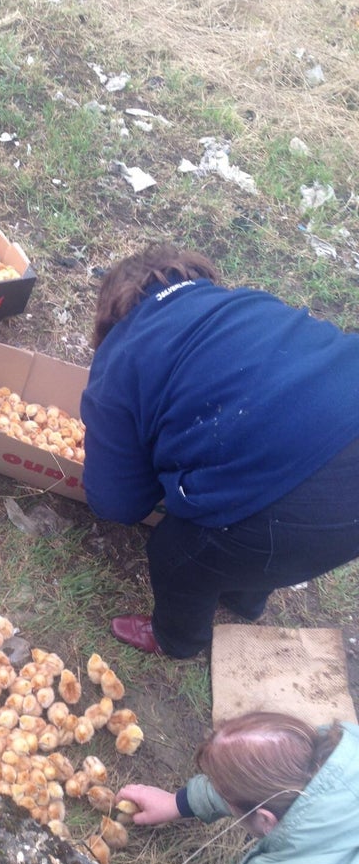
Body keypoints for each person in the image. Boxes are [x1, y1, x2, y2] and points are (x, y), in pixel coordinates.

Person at [79, 243, 359, 658]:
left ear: (111, 317)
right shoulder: (243, 305)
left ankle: (177, 638)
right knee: (262, 474)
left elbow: (116, 502)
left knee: (179, 551)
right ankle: (245, 597)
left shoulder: (122, 356)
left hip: (304, 499)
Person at [116, 711, 359, 864]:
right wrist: (178, 802)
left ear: (265, 820)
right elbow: (265, 781)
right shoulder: (342, 746)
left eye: (225, 796)